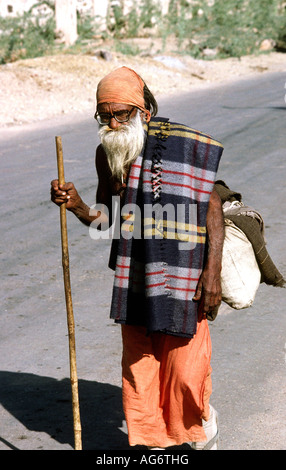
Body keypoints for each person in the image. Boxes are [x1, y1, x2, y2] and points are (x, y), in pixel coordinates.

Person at [51, 66, 224, 450]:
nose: (112, 123)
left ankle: (203, 426)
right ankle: (152, 447)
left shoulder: (179, 145)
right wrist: (77, 205)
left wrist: (212, 276)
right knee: (140, 373)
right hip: (136, 280)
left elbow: (213, 208)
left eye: (121, 113)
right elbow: (106, 222)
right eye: (105, 115)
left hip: (185, 278)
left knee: (184, 373)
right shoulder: (107, 155)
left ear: (144, 110)